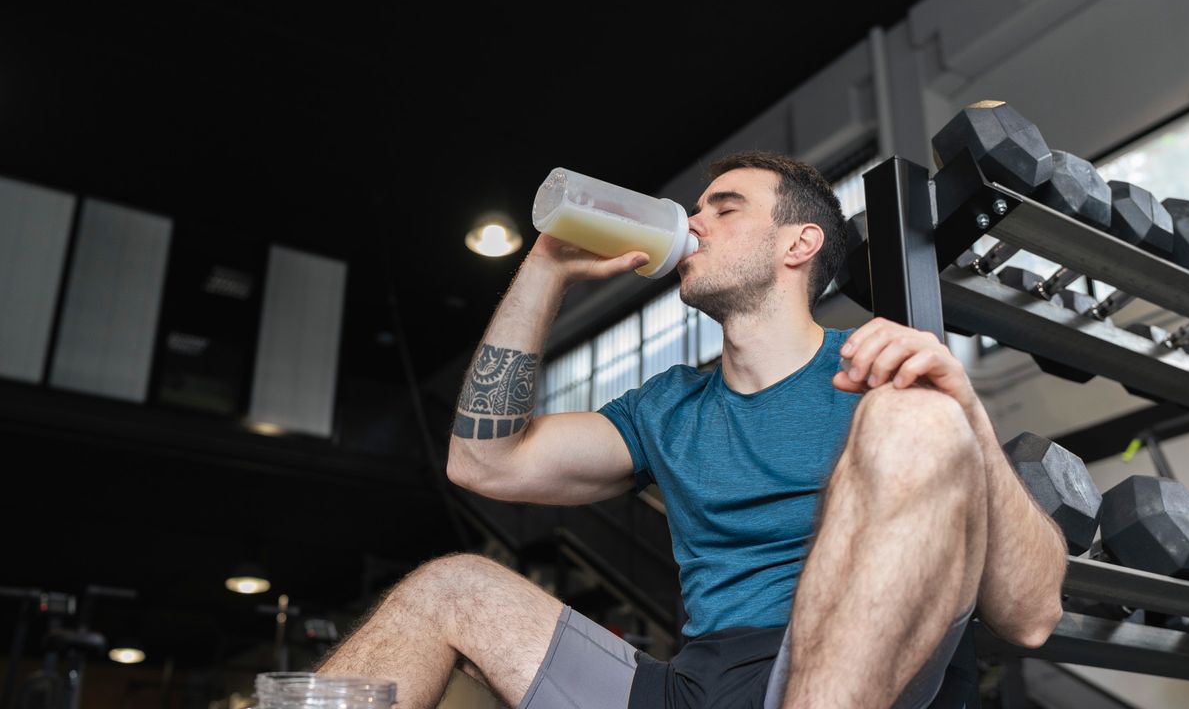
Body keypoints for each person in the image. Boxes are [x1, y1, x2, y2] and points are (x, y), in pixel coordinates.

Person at [316, 150, 1068, 708]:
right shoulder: (667, 407)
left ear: (798, 244)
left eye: (724, 206)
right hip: (694, 686)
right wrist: (544, 268)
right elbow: (482, 464)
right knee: (447, 587)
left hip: (838, 674)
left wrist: (962, 409)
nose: (693, 221)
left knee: (915, 418)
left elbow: (1032, 616)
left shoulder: (886, 365)